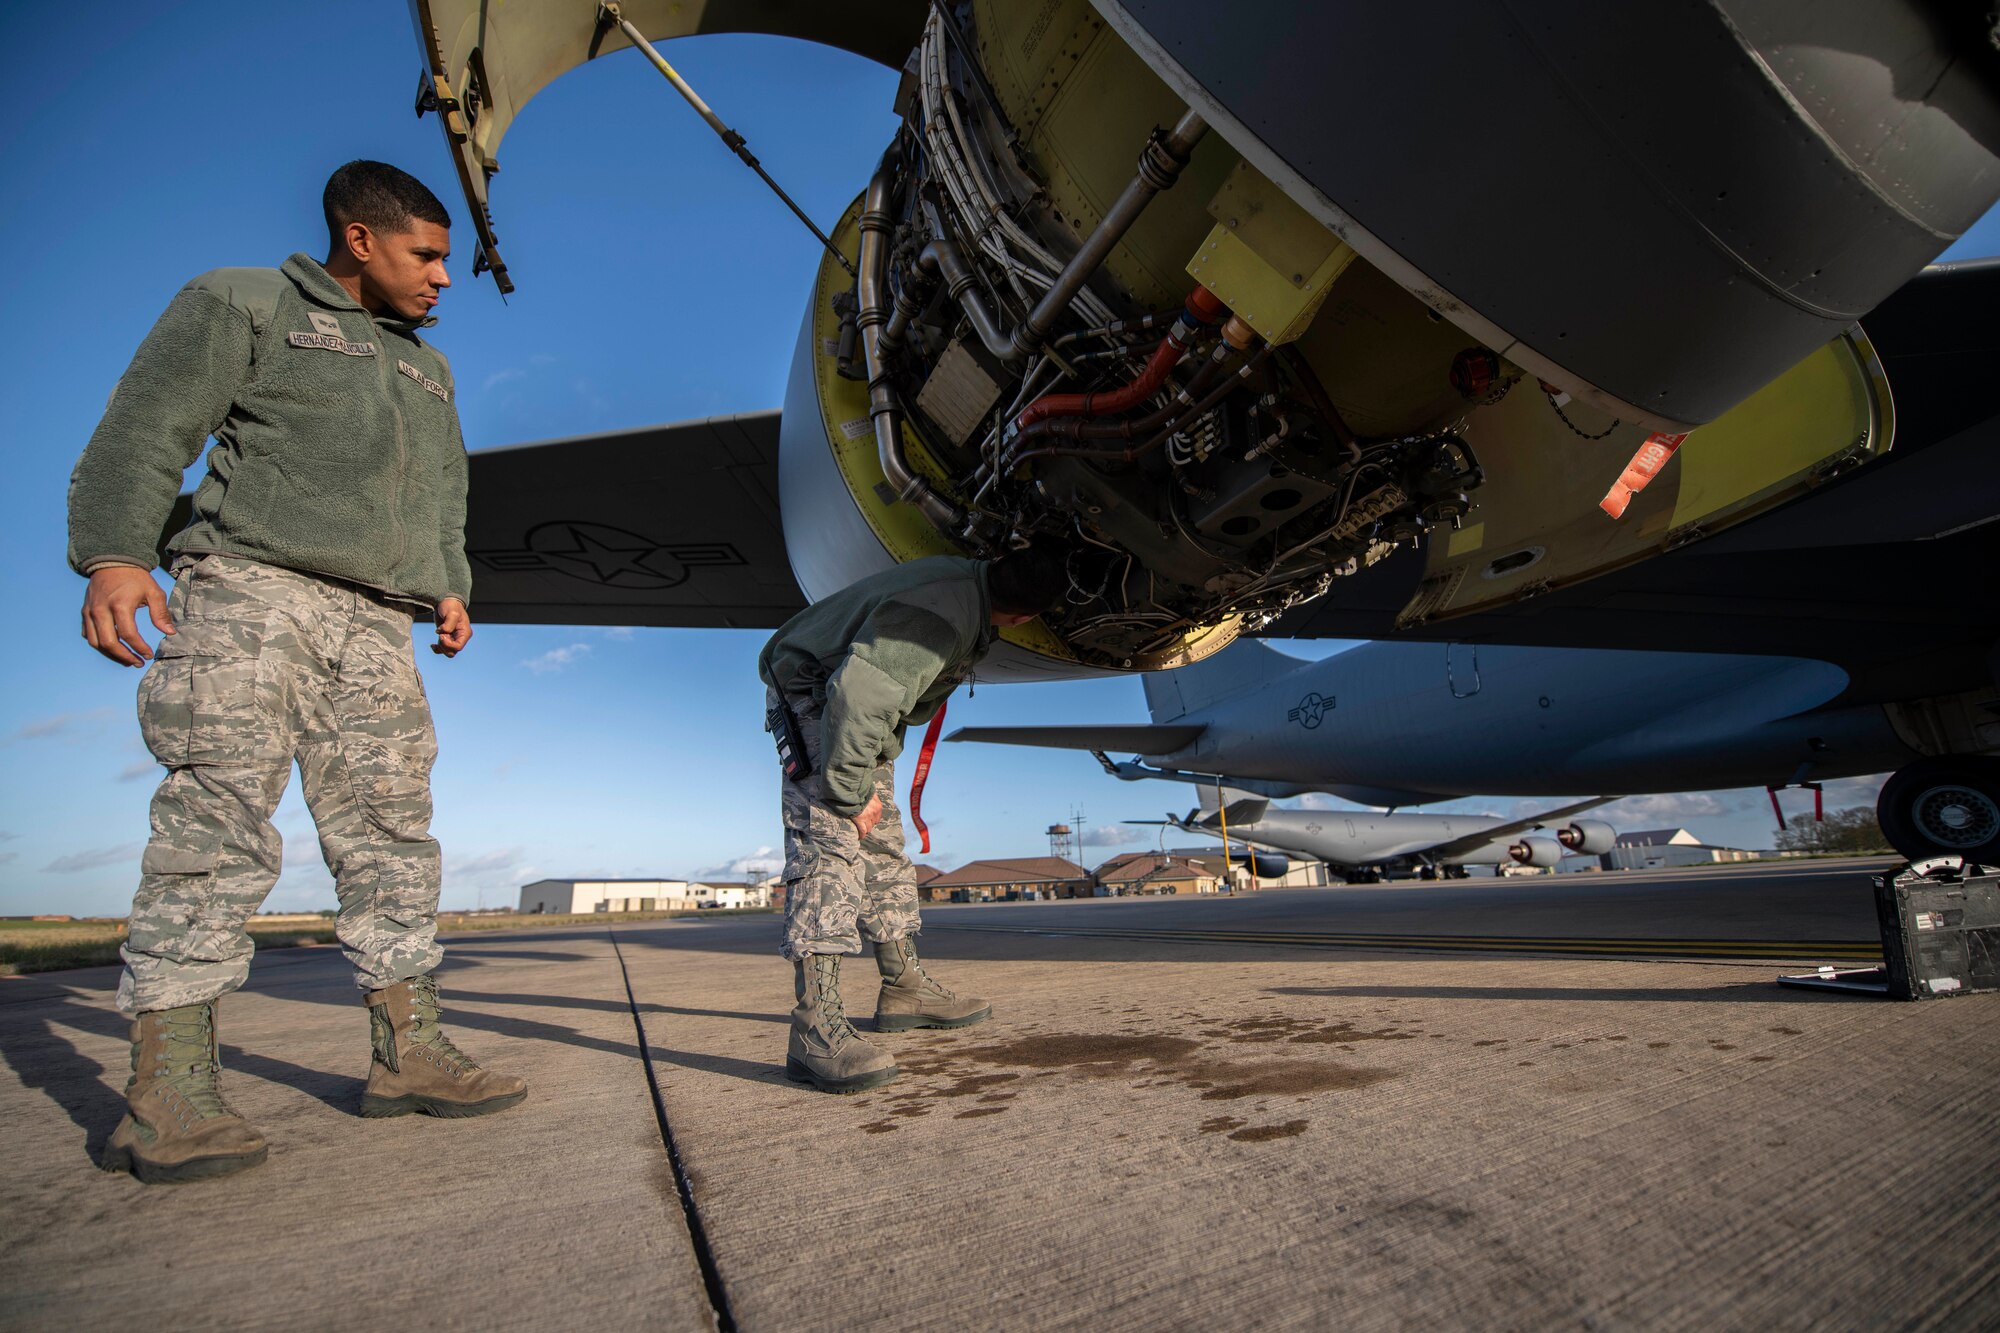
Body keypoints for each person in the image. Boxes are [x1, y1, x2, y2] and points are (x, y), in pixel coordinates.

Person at [67, 160, 524, 1184]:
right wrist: (114, 553)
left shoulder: (425, 370)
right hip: (250, 592)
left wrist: (446, 583)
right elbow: (146, 428)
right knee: (217, 822)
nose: (445, 278)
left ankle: (410, 1054)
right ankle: (169, 1092)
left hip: (377, 621)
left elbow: (442, 493)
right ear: (358, 240)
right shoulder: (244, 301)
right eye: (427, 255)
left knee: (393, 837)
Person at [758, 549, 1069, 1093]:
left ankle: (904, 988)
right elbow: (856, 696)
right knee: (828, 849)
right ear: (1023, 617)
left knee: (883, 852)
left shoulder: (967, 587)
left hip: (854, 720)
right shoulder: (941, 614)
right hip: (821, 706)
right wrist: (850, 794)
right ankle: (814, 1031)